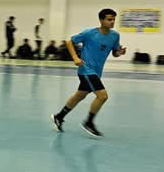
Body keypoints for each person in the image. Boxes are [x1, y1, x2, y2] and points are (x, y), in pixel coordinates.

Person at [51, 8, 126, 138]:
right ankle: (89, 122)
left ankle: (59, 117)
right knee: (102, 96)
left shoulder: (115, 36)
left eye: (114, 19)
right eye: (109, 19)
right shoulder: (89, 33)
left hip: (97, 72)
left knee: (79, 96)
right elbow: (69, 42)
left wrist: (119, 52)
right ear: (101, 20)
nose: (112, 22)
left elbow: (115, 52)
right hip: (86, 70)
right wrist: (75, 58)